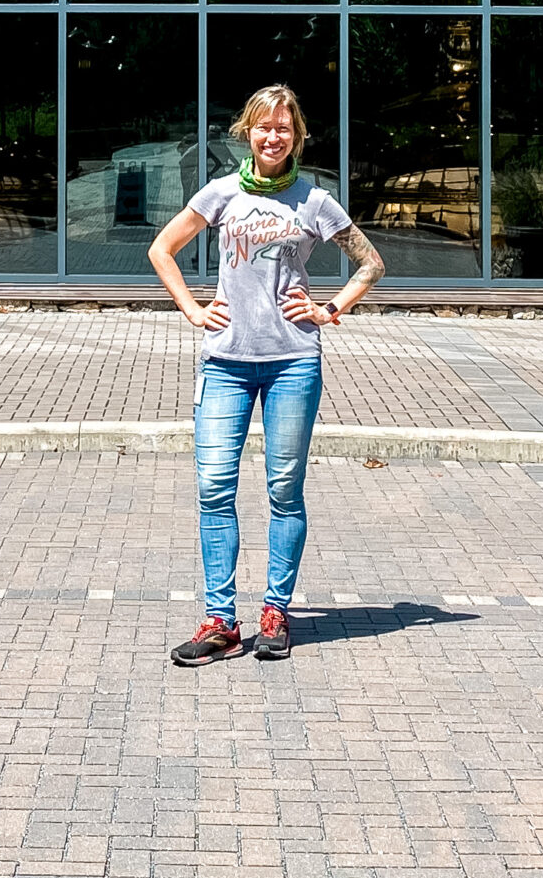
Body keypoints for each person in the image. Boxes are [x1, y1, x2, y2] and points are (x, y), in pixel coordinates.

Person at [148, 83, 385, 665]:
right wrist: (193, 308)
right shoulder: (221, 193)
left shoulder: (315, 201)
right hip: (226, 363)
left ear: (296, 135)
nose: (273, 136)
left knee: (283, 489)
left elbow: (372, 262)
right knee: (213, 488)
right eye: (263, 127)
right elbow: (161, 249)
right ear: (247, 133)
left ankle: (276, 610)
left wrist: (329, 310)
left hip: (292, 363)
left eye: (284, 128)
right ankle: (220, 622)